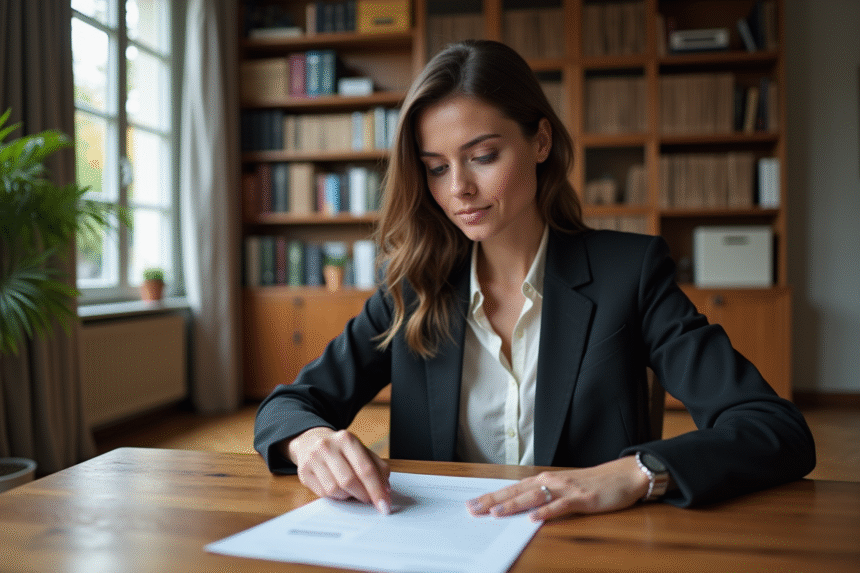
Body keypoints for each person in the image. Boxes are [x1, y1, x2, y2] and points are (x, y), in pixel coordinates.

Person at [254, 39, 815, 521]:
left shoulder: (630, 275)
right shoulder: (412, 289)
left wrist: (637, 472)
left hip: (588, 548)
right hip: (443, 550)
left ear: (540, 142)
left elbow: (774, 429)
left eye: (483, 156)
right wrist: (312, 443)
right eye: (437, 168)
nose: (459, 191)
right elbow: (287, 407)